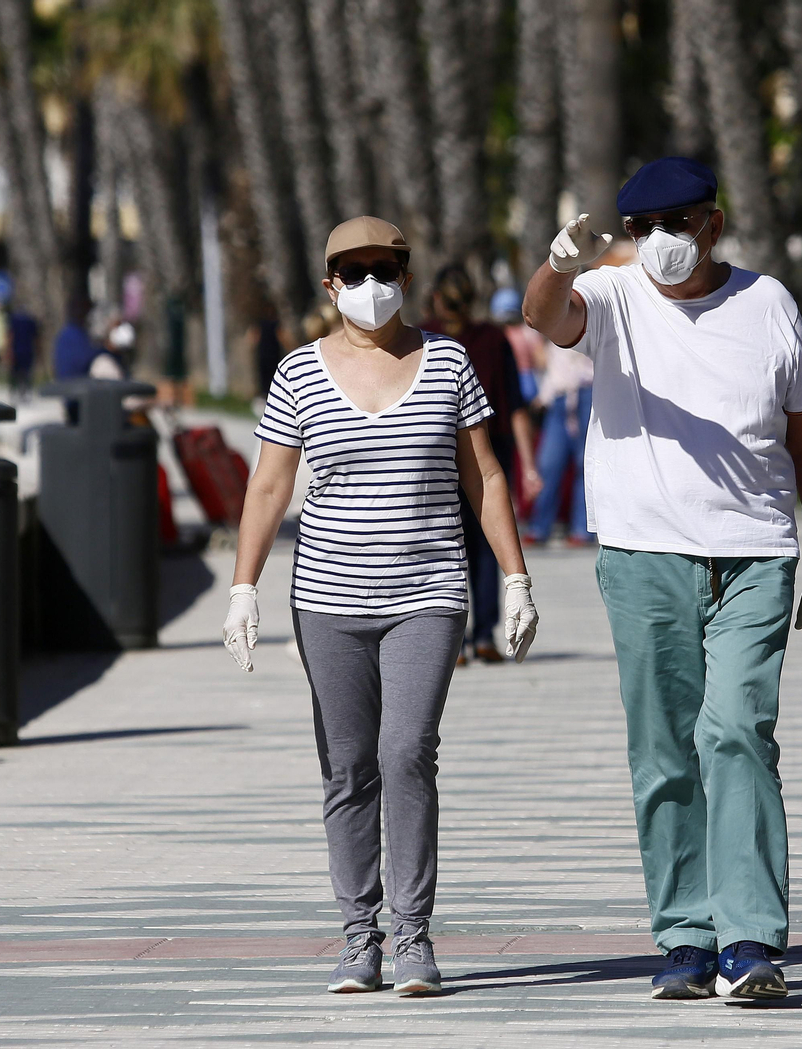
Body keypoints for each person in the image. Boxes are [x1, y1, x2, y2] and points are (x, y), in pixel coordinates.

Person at [523, 156, 802, 1002]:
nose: (660, 242)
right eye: (643, 229)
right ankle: (684, 936)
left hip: (754, 554)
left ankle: (748, 940)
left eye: (677, 224)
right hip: (642, 557)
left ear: (713, 222)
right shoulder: (613, 296)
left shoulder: (768, 303)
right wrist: (562, 262)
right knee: (664, 748)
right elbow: (544, 316)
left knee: (737, 731)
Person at [223, 216, 539, 997]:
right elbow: (267, 487)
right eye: (354, 271)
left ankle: (412, 934)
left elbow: (486, 477)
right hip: (326, 600)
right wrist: (242, 588)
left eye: (386, 267)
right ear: (329, 285)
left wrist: (518, 577)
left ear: (405, 273)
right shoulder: (297, 373)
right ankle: (357, 936)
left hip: (428, 594)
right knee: (347, 765)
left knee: (406, 751)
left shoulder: (448, 363)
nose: (372, 284)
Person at [423, 264, 541, 664]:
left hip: (436, 455)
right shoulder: (493, 338)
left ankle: (453, 640)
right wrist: (528, 465)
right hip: (492, 449)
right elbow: (516, 407)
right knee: (488, 544)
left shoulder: (423, 339)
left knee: (444, 545)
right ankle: (485, 634)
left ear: (437, 298)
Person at [525, 337, 596, 546]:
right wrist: (543, 396)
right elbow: (553, 369)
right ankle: (539, 526)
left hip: (587, 393)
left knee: (584, 463)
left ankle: (582, 529)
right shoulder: (552, 332)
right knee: (549, 463)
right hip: (558, 397)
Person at [53, 301, 96, 380]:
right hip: (73, 382)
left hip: (66, 382)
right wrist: (105, 350)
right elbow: (84, 360)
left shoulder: (66, 332)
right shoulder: (74, 334)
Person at [7, 305, 39, 400]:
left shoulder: (14, 321)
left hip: (16, 350)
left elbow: (10, 335)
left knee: (16, 372)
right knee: (26, 372)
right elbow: (36, 338)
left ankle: (15, 391)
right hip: (27, 350)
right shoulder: (30, 321)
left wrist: (8, 349)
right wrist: (38, 351)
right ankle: (24, 391)